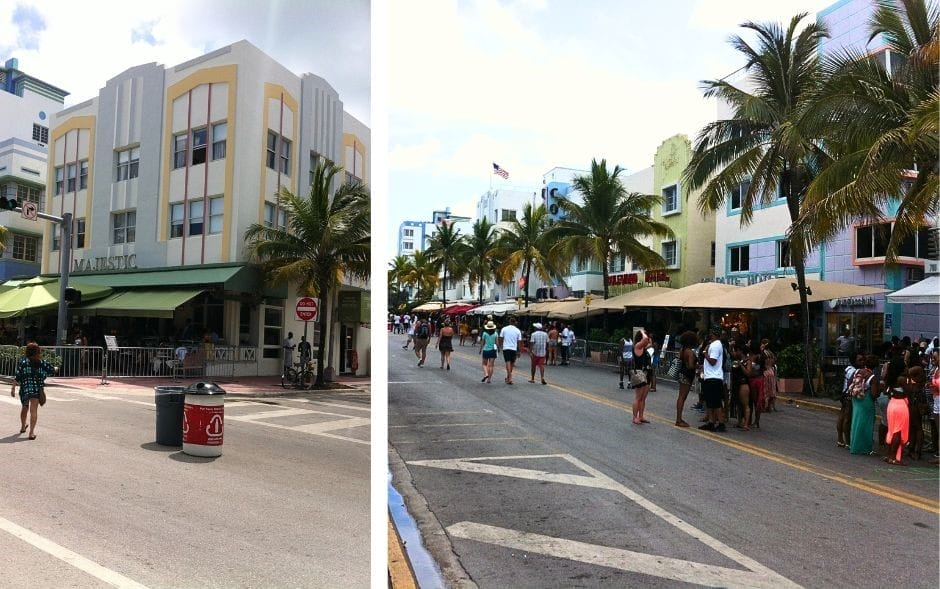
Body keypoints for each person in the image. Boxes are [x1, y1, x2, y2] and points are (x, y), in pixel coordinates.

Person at [11, 342, 57, 440]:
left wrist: (13, 388)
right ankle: (31, 433)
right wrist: (56, 368)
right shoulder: (41, 362)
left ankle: (23, 427)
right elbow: (52, 370)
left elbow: (17, 376)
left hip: (25, 389)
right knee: (34, 410)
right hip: (36, 389)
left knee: (24, 407)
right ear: (38, 352)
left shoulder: (23, 362)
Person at [849, 355, 880, 456]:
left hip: (856, 398)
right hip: (866, 400)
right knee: (866, 424)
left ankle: (854, 445)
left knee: (856, 421)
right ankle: (865, 448)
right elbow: (874, 394)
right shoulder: (872, 377)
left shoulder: (857, 371)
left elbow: (850, 382)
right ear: (875, 366)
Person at [699, 328, 726, 432]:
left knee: (715, 402)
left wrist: (705, 354)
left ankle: (721, 423)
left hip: (713, 377)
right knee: (710, 401)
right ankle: (711, 422)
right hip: (710, 376)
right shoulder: (715, 344)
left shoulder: (715, 346)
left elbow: (713, 361)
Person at [883, 375, 911, 465]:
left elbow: (886, 391)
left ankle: (888, 455)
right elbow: (909, 392)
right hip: (900, 405)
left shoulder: (890, 378)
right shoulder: (902, 378)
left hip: (892, 404)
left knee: (891, 430)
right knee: (897, 432)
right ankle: (893, 457)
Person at [837, 354, 863, 448]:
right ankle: (848, 441)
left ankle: (840, 439)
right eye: (859, 360)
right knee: (847, 419)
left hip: (843, 394)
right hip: (848, 396)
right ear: (854, 361)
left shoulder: (847, 368)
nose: (862, 362)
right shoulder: (855, 371)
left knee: (842, 416)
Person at [675, 331, 698, 427]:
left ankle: (679, 418)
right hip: (687, 375)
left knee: (681, 397)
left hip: (682, 373)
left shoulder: (682, 350)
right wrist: (698, 366)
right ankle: (679, 419)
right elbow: (691, 366)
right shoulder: (690, 352)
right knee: (682, 397)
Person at [631, 329, 653, 425]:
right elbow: (645, 339)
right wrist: (642, 332)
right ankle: (635, 417)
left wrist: (646, 335)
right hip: (640, 373)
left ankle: (641, 416)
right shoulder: (637, 346)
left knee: (643, 398)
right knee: (638, 397)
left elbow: (650, 342)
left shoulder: (643, 348)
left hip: (647, 373)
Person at [498, 316, 522, 385]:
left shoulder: (504, 329)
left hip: (506, 348)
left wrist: (499, 346)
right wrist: (519, 351)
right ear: (515, 323)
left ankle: (509, 377)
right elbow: (519, 341)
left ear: (509, 322)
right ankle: (509, 377)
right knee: (511, 363)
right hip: (513, 348)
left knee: (508, 362)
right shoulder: (518, 330)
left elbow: (501, 338)